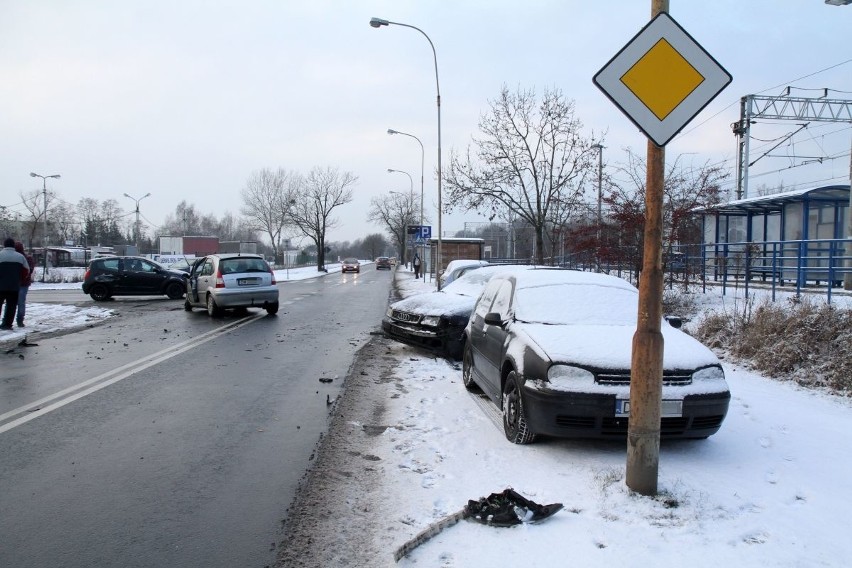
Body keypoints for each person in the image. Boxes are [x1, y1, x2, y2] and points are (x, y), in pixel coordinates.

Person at [0, 237, 30, 330]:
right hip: (14, 286)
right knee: (11, 305)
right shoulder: (20, 257)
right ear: (13, 246)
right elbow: (26, 271)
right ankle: (7, 324)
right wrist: (19, 279)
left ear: (4, 245)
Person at [14, 241, 36, 327]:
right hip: (24, 283)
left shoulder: (14, 258)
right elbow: (30, 270)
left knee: (11, 302)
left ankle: (8, 320)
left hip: (14, 283)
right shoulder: (28, 258)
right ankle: (20, 319)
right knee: (21, 302)